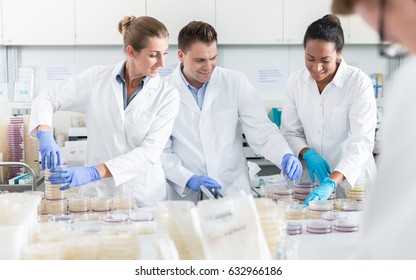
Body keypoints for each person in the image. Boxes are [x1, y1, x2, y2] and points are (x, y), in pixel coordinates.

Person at [29, 16, 180, 207]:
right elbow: (47, 97)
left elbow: (149, 152)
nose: (162, 63)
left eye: (165, 53)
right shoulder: (96, 79)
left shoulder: (168, 95)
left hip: (143, 196)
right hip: (98, 195)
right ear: (131, 51)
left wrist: (93, 172)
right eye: (154, 55)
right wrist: (45, 132)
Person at [161, 21, 302, 202]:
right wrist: (187, 178)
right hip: (187, 196)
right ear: (181, 55)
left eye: (213, 58)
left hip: (232, 190)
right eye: (200, 60)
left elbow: (261, 129)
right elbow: (161, 150)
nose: (208, 66)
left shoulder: (234, 82)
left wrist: (284, 154)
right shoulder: (163, 91)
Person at [332, 0, 416, 259]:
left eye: (382, 25)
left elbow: (398, 228)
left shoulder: (405, 85)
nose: (389, 37)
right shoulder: (407, 80)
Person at [280, 14, 377, 205]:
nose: (316, 67)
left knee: (352, 232)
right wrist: (308, 153)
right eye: (310, 58)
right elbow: (290, 132)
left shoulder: (358, 83)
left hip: (353, 184)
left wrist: (332, 181)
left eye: (325, 60)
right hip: (312, 181)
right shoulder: (295, 82)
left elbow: (362, 142)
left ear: (339, 53)